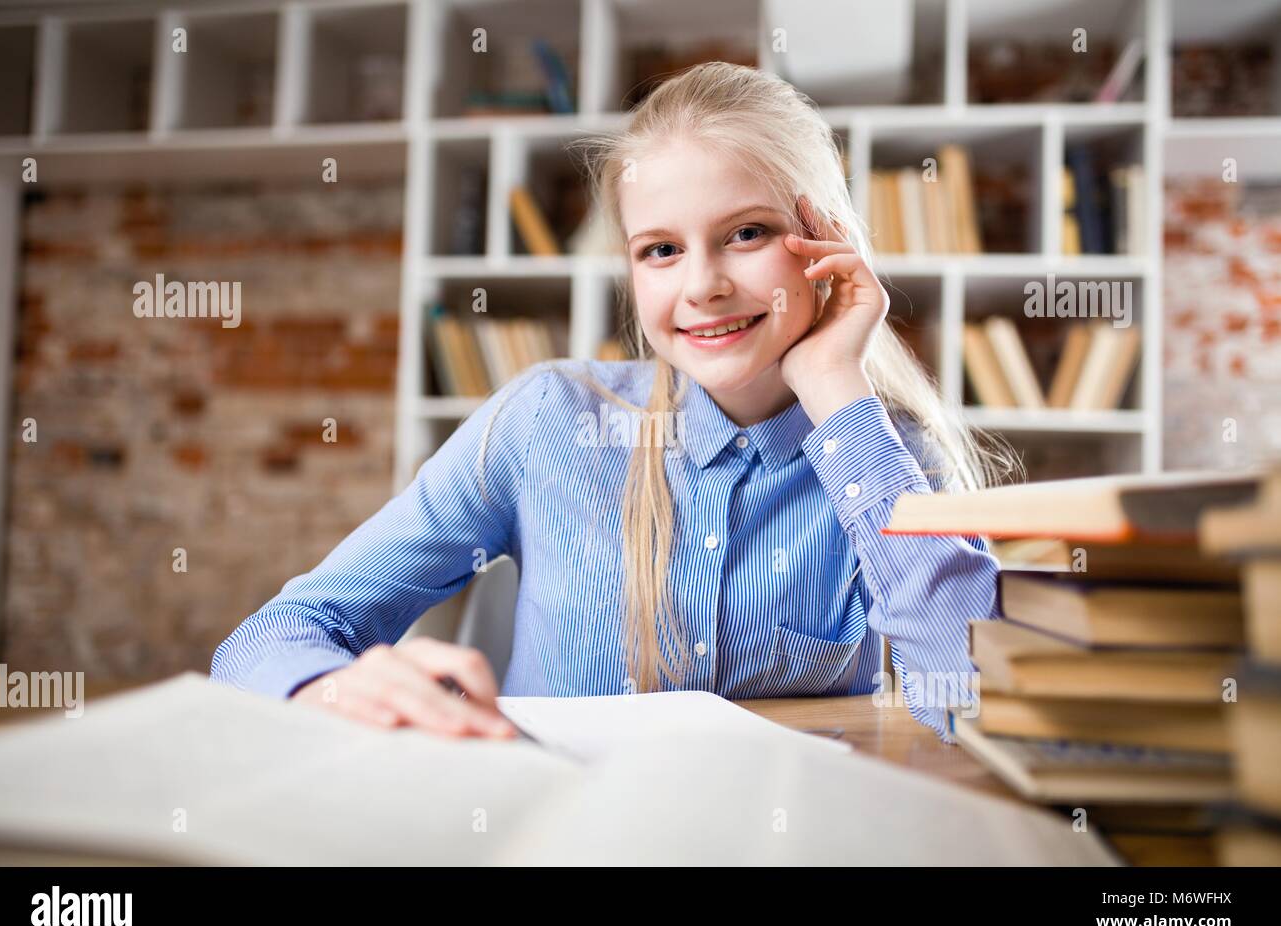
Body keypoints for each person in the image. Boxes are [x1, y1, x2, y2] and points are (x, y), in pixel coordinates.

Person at [210, 62, 1008, 743]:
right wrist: (337, 690)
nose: (702, 286)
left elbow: (973, 699)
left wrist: (837, 383)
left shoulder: (885, 457)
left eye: (747, 233)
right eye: (661, 250)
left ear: (825, 241)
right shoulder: (548, 421)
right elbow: (269, 639)